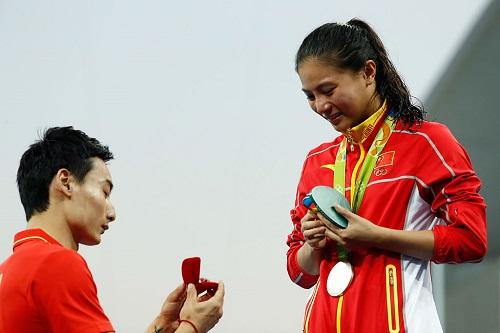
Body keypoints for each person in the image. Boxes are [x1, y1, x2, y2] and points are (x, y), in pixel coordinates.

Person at [286, 19, 487, 333]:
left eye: (328, 90)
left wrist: (376, 236)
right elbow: (301, 274)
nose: (321, 105)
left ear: (368, 73)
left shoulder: (426, 142)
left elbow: (472, 240)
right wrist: (312, 244)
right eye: (310, 96)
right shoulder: (317, 161)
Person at [0, 126, 224, 333]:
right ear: (66, 182)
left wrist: (161, 325)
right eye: (105, 192)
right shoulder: (56, 264)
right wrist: (193, 326)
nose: (112, 213)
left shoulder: (11, 269)